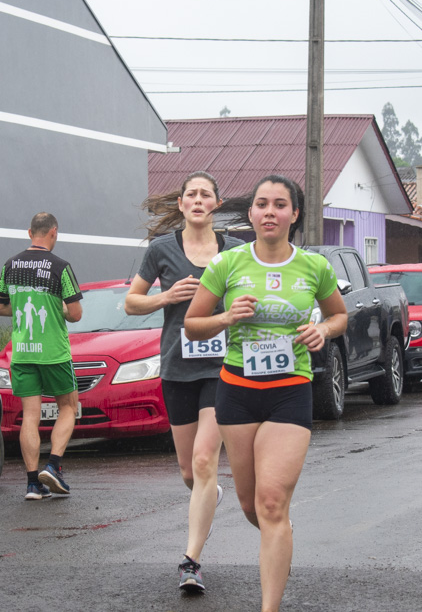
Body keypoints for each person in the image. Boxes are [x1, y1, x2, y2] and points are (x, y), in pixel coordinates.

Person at [184, 175, 348, 612]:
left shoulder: (314, 267)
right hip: (237, 392)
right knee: (251, 505)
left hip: (290, 390)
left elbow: (339, 317)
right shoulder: (228, 264)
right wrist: (225, 318)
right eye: (262, 204)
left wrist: (322, 330)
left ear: (295, 214)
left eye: (280, 204)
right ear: (251, 214)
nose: (270, 212)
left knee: (272, 502)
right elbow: (193, 324)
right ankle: (280, 536)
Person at [124, 171, 244, 594]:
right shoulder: (161, 250)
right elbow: (131, 301)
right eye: (190, 194)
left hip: (223, 367)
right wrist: (165, 297)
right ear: (181, 204)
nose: (197, 200)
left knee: (204, 461)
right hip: (178, 368)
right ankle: (208, 496)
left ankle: (190, 562)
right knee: (189, 472)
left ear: (216, 203)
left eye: (205, 194)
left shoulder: (235, 251)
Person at [0, 212, 83, 500]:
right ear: (53, 233)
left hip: (21, 352)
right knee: (68, 407)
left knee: (30, 416)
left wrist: (23, 302)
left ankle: (33, 484)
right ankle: (53, 466)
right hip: (53, 352)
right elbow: (76, 314)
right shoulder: (61, 267)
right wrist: (59, 309)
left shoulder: (11, 265)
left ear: (29, 232)